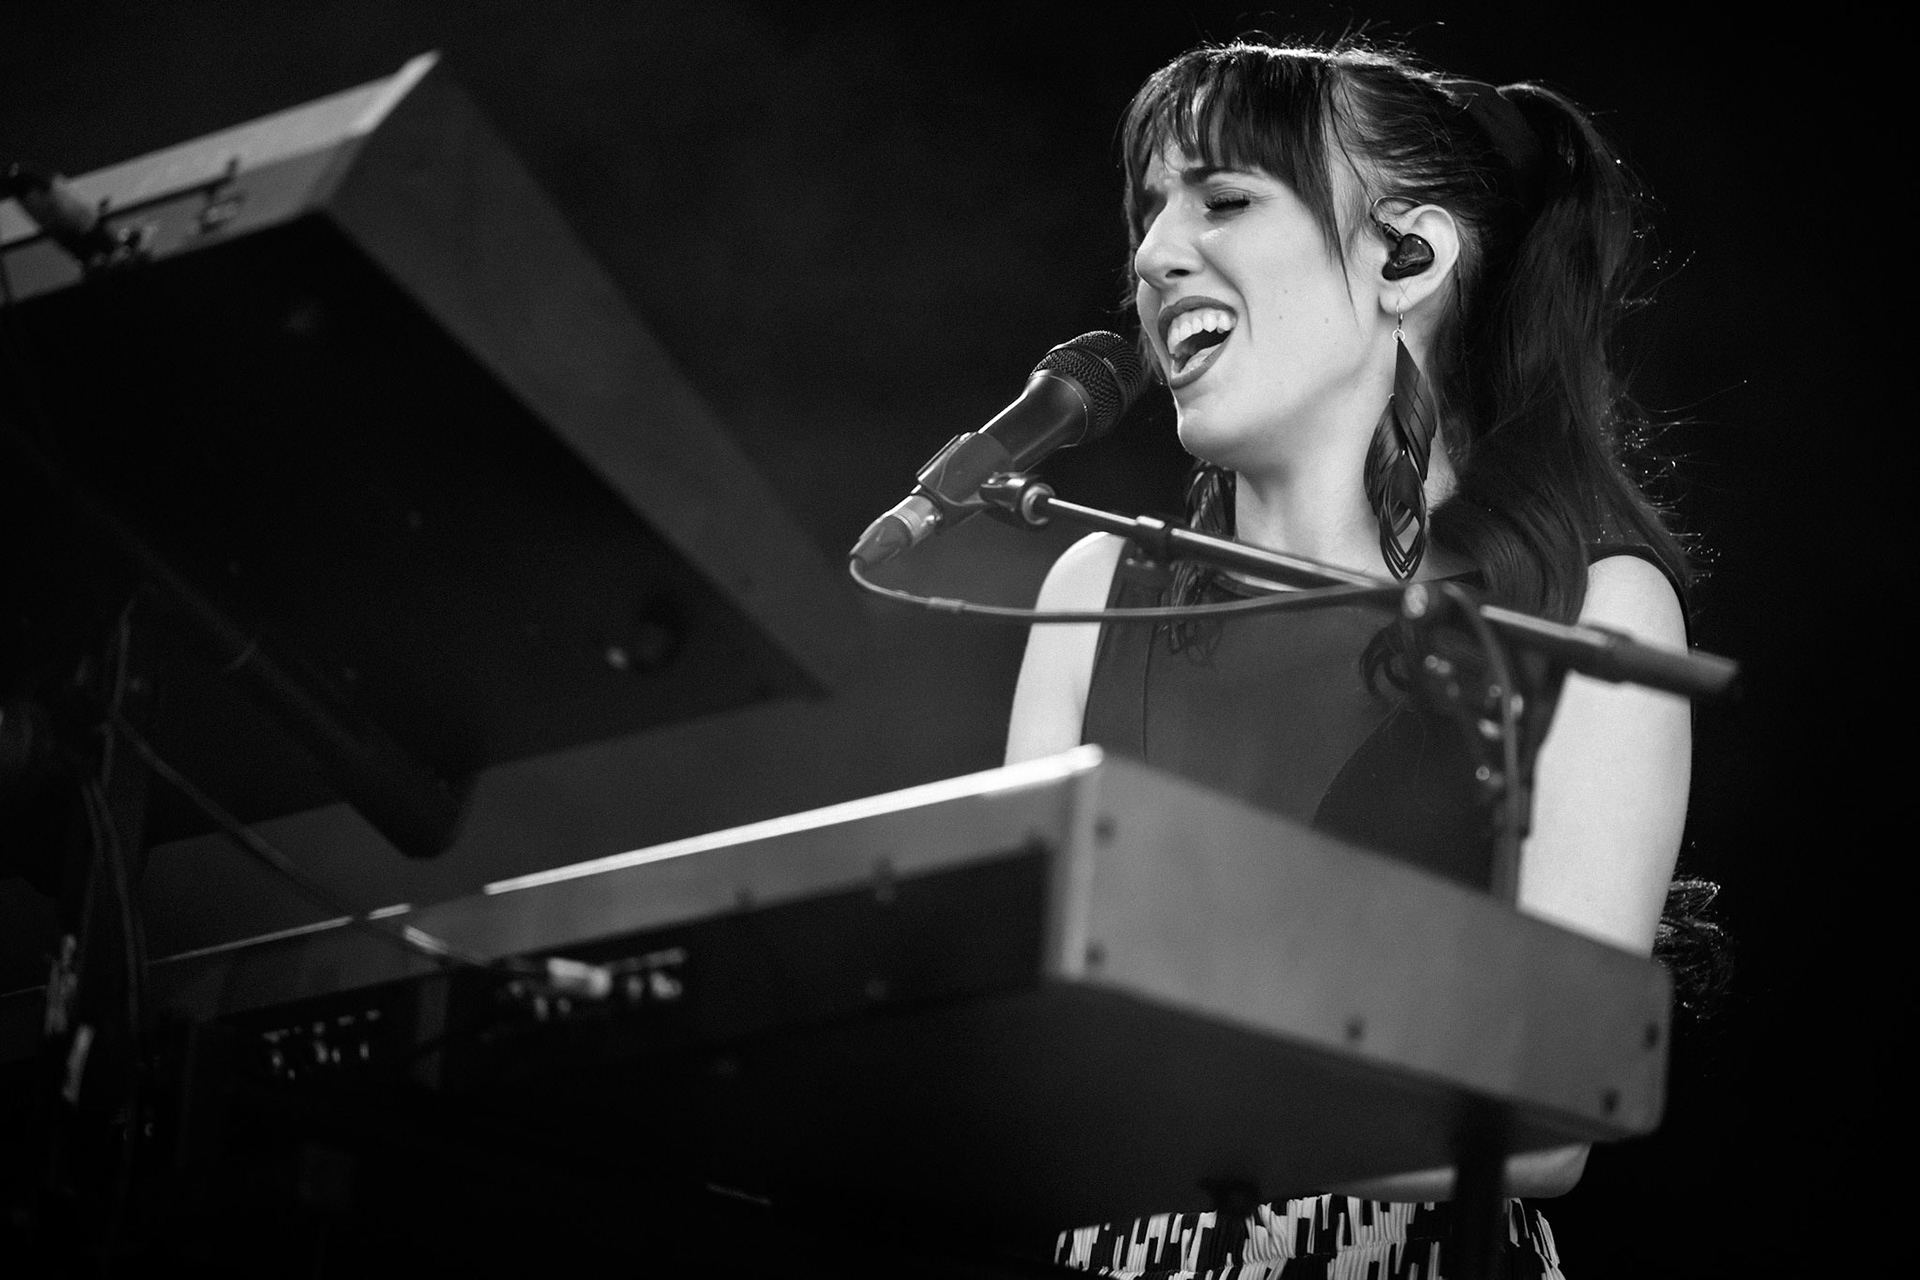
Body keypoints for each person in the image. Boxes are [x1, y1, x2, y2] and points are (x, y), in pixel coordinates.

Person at [1004, 37, 1695, 1279]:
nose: (1157, 254)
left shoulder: (1589, 607)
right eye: (1149, 208)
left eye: (1222, 199)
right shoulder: (1093, 591)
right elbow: (1023, 1057)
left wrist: (1155, 1091)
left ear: (1407, 257)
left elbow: (1542, 1120)